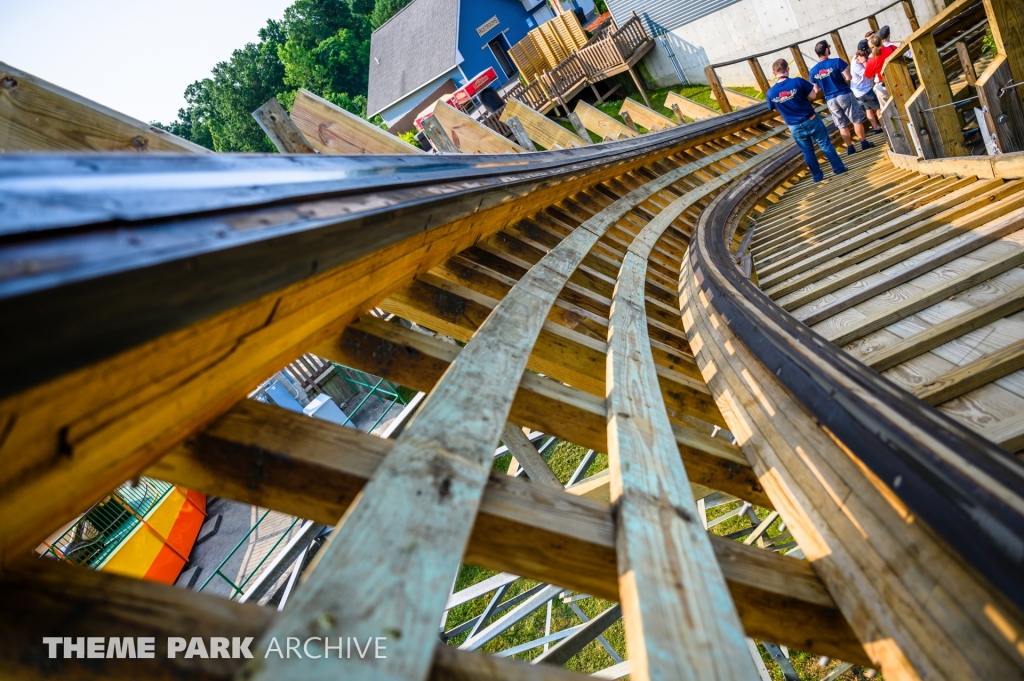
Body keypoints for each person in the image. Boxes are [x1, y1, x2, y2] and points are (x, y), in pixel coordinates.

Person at [766, 58, 846, 183]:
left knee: (807, 151)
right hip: (811, 119)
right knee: (824, 144)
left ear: (774, 74)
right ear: (787, 69)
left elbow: (774, 109)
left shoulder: (770, 93)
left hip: (794, 126)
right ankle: (839, 168)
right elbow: (813, 95)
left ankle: (817, 177)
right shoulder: (798, 82)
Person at [811, 40, 875, 155]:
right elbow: (848, 77)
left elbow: (816, 90)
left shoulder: (813, 71)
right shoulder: (837, 61)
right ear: (826, 50)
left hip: (830, 99)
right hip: (843, 93)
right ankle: (863, 143)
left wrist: (824, 84)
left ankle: (850, 148)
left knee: (841, 125)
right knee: (856, 119)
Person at [852, 48, 883, 133]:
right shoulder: (857, 64)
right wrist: (864, 62)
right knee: (879, 107)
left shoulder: (856, 56)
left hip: (860, 91)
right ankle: (885, 125)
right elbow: (869, 73)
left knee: (868, 108)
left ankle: (876, 128)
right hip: (864, 90)